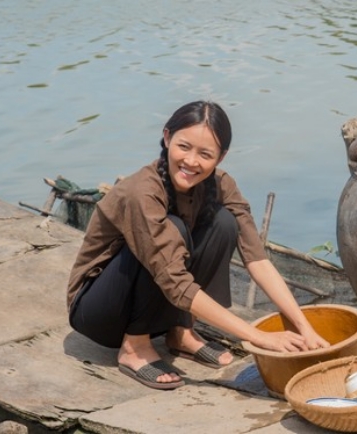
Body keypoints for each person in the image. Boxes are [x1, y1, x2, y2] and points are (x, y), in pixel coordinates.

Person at [66, 100, 330, 390]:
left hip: (159, 305)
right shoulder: (142, 192)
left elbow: (257, 259)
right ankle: (135, 348)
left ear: (221, 156)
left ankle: (181, 331)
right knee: (174, 228)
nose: (191, 162)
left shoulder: (221, 184)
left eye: (205, 154)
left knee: (224, 222)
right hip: (98, 312)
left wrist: (304, 325)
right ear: (167, 138)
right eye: (183, 147)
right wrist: (259, 337)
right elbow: (175, 281)